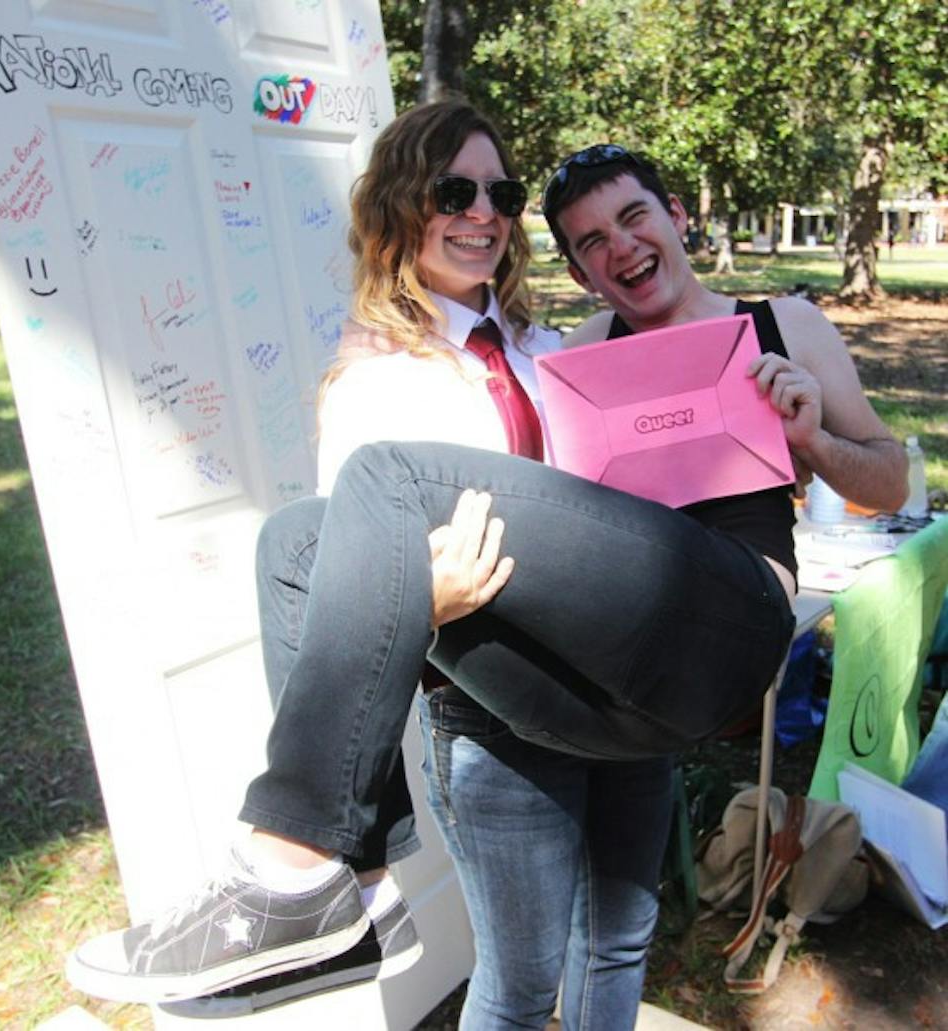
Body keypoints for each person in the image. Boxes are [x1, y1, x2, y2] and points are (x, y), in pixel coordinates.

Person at [67, 141, 908, 1013]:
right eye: (589, 242)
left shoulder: (781, 324)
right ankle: (351, 886)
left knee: (389, 477)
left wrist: (809, 438)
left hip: (733, 621)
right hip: (613, 670)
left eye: (633, 218)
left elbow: (890, 482)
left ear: (677, 218)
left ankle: (288, 858)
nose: (618, 248)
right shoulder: (575, 357)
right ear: (579, 272)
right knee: (290, 545)